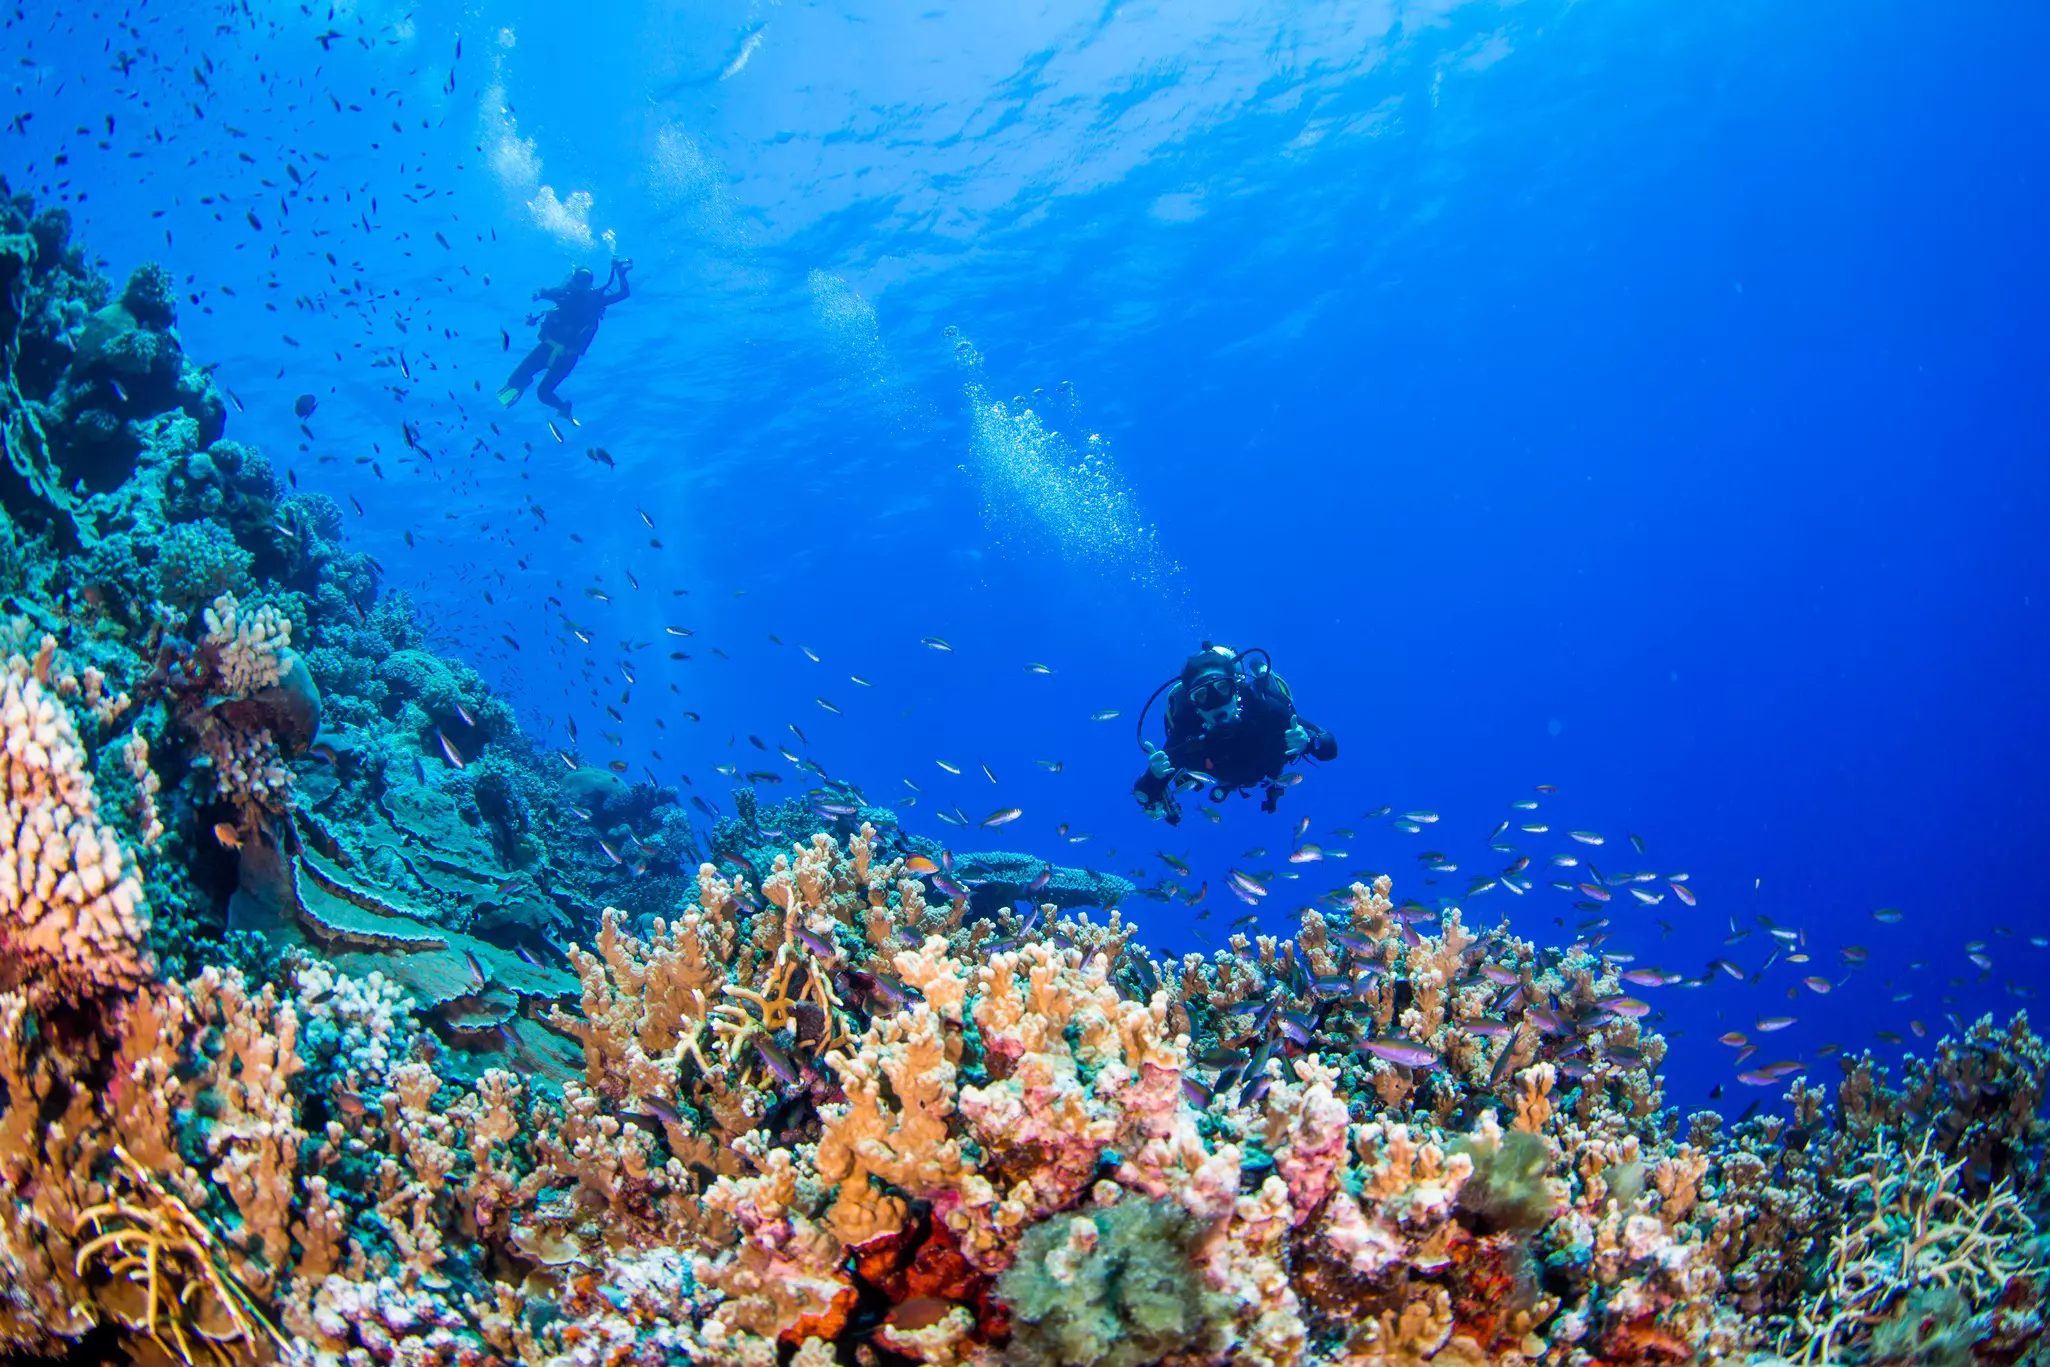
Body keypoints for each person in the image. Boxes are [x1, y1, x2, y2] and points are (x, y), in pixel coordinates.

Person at [1132, 644, 1337, 824]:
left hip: (1267, 768)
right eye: (1202, 695)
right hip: (1226, 778)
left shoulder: (1264, 707)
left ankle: (1262, 671)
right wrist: (1155, 774)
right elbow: (1145, 793)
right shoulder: (1187, 730)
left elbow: (1328, 748)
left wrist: (1306, 739)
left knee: (1274, 693)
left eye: (1222, 688)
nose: (1214, 702)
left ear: (1235, 688)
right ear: (1193, 704)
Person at [497, 259, 632, 418]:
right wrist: (538, 294)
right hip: (548, 347)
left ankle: (564, 409)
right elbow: (543, 292)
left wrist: (621, 274)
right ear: (573, 280)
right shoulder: (563, 294)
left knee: (543, 393)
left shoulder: (595, 299)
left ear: (590, 284)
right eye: (579, 280)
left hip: (569, 355)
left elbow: (624, 294)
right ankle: (525, 384)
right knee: (516, 381)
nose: (581, 284)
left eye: (585, 281)